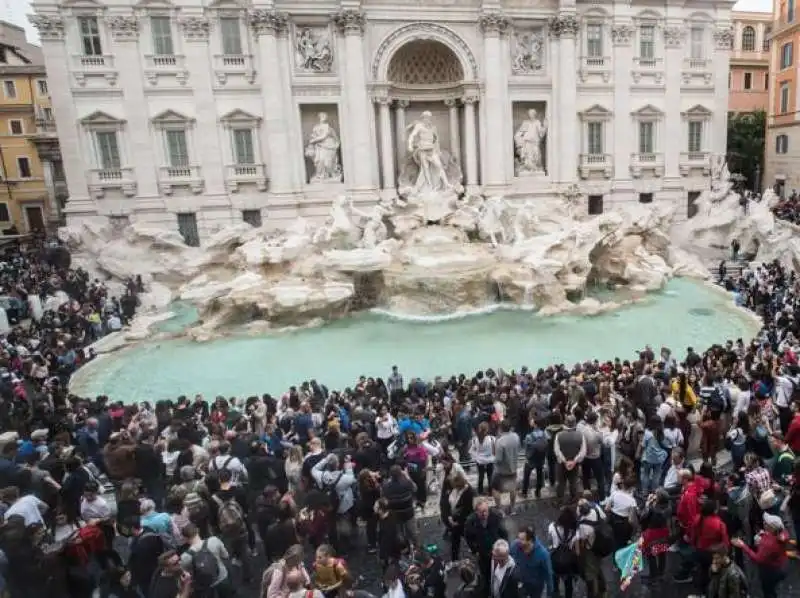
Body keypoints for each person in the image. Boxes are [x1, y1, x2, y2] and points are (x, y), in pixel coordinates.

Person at [732, 513, 788, 598]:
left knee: (768, 590)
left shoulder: (769, 545)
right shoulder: (781, 533)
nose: (763, 523)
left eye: (765, 523)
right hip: (781, 564)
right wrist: (764, 535)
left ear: (771, 528)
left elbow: (758, 559)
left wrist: (743, 545)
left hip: (770, 570)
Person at [179, 522, 234, 598]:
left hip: (204, 586)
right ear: (198, 530)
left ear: (185, 538)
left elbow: (188, 574)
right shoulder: (214, 540)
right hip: (222, 578)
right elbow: (226, 555)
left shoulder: (185, 557)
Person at [464, 497, 508, 590]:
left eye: (486, 511)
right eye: (481, 512)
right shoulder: (470, 522)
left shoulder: (495, 516)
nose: (485, 514)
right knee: (486, 575)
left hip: (497, 552)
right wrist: (475, 551)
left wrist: (504, 546)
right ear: (476, 512)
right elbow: (468, 538)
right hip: (483, 554)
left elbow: (504, 532)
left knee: (500, 573)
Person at [510, 527, 553, 598]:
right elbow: (509, 560)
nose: (518, 541)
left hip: (535, 587)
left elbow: (548, 575)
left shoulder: (543, 554)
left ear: (530, 540)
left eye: (522, 539)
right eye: (518, 538)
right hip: (520, 584)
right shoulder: (515, 546)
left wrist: (549, 594)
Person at [442, 470, 474, 563]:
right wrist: (449, 516)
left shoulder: (468, 492)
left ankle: (475, 550)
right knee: (455, 539)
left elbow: (467, 510)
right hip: (453, 518)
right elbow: (446, 503)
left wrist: (458, 522)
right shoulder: (452, 487)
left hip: (462, 520)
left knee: (467, 537)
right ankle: (455, 559)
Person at [553, 416, 586, 502]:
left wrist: (565, 461)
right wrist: (574, 461)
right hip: (575, 465)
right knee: (573, 482)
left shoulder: (558, 435)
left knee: (561, 482)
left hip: (561, 464)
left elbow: (557, 451)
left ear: (565, 423)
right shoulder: (580, 435)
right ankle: (573, 499)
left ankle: (559, 500)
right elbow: (583, 451)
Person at [492, 420, 520, 514]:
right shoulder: (516, 436)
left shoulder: (500, 441)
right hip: (513, 468)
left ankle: (499, 509)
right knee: (513, 489)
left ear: (501, 428)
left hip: (501, 471)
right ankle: (512, 508)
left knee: (496, 489)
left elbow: (498, 459)